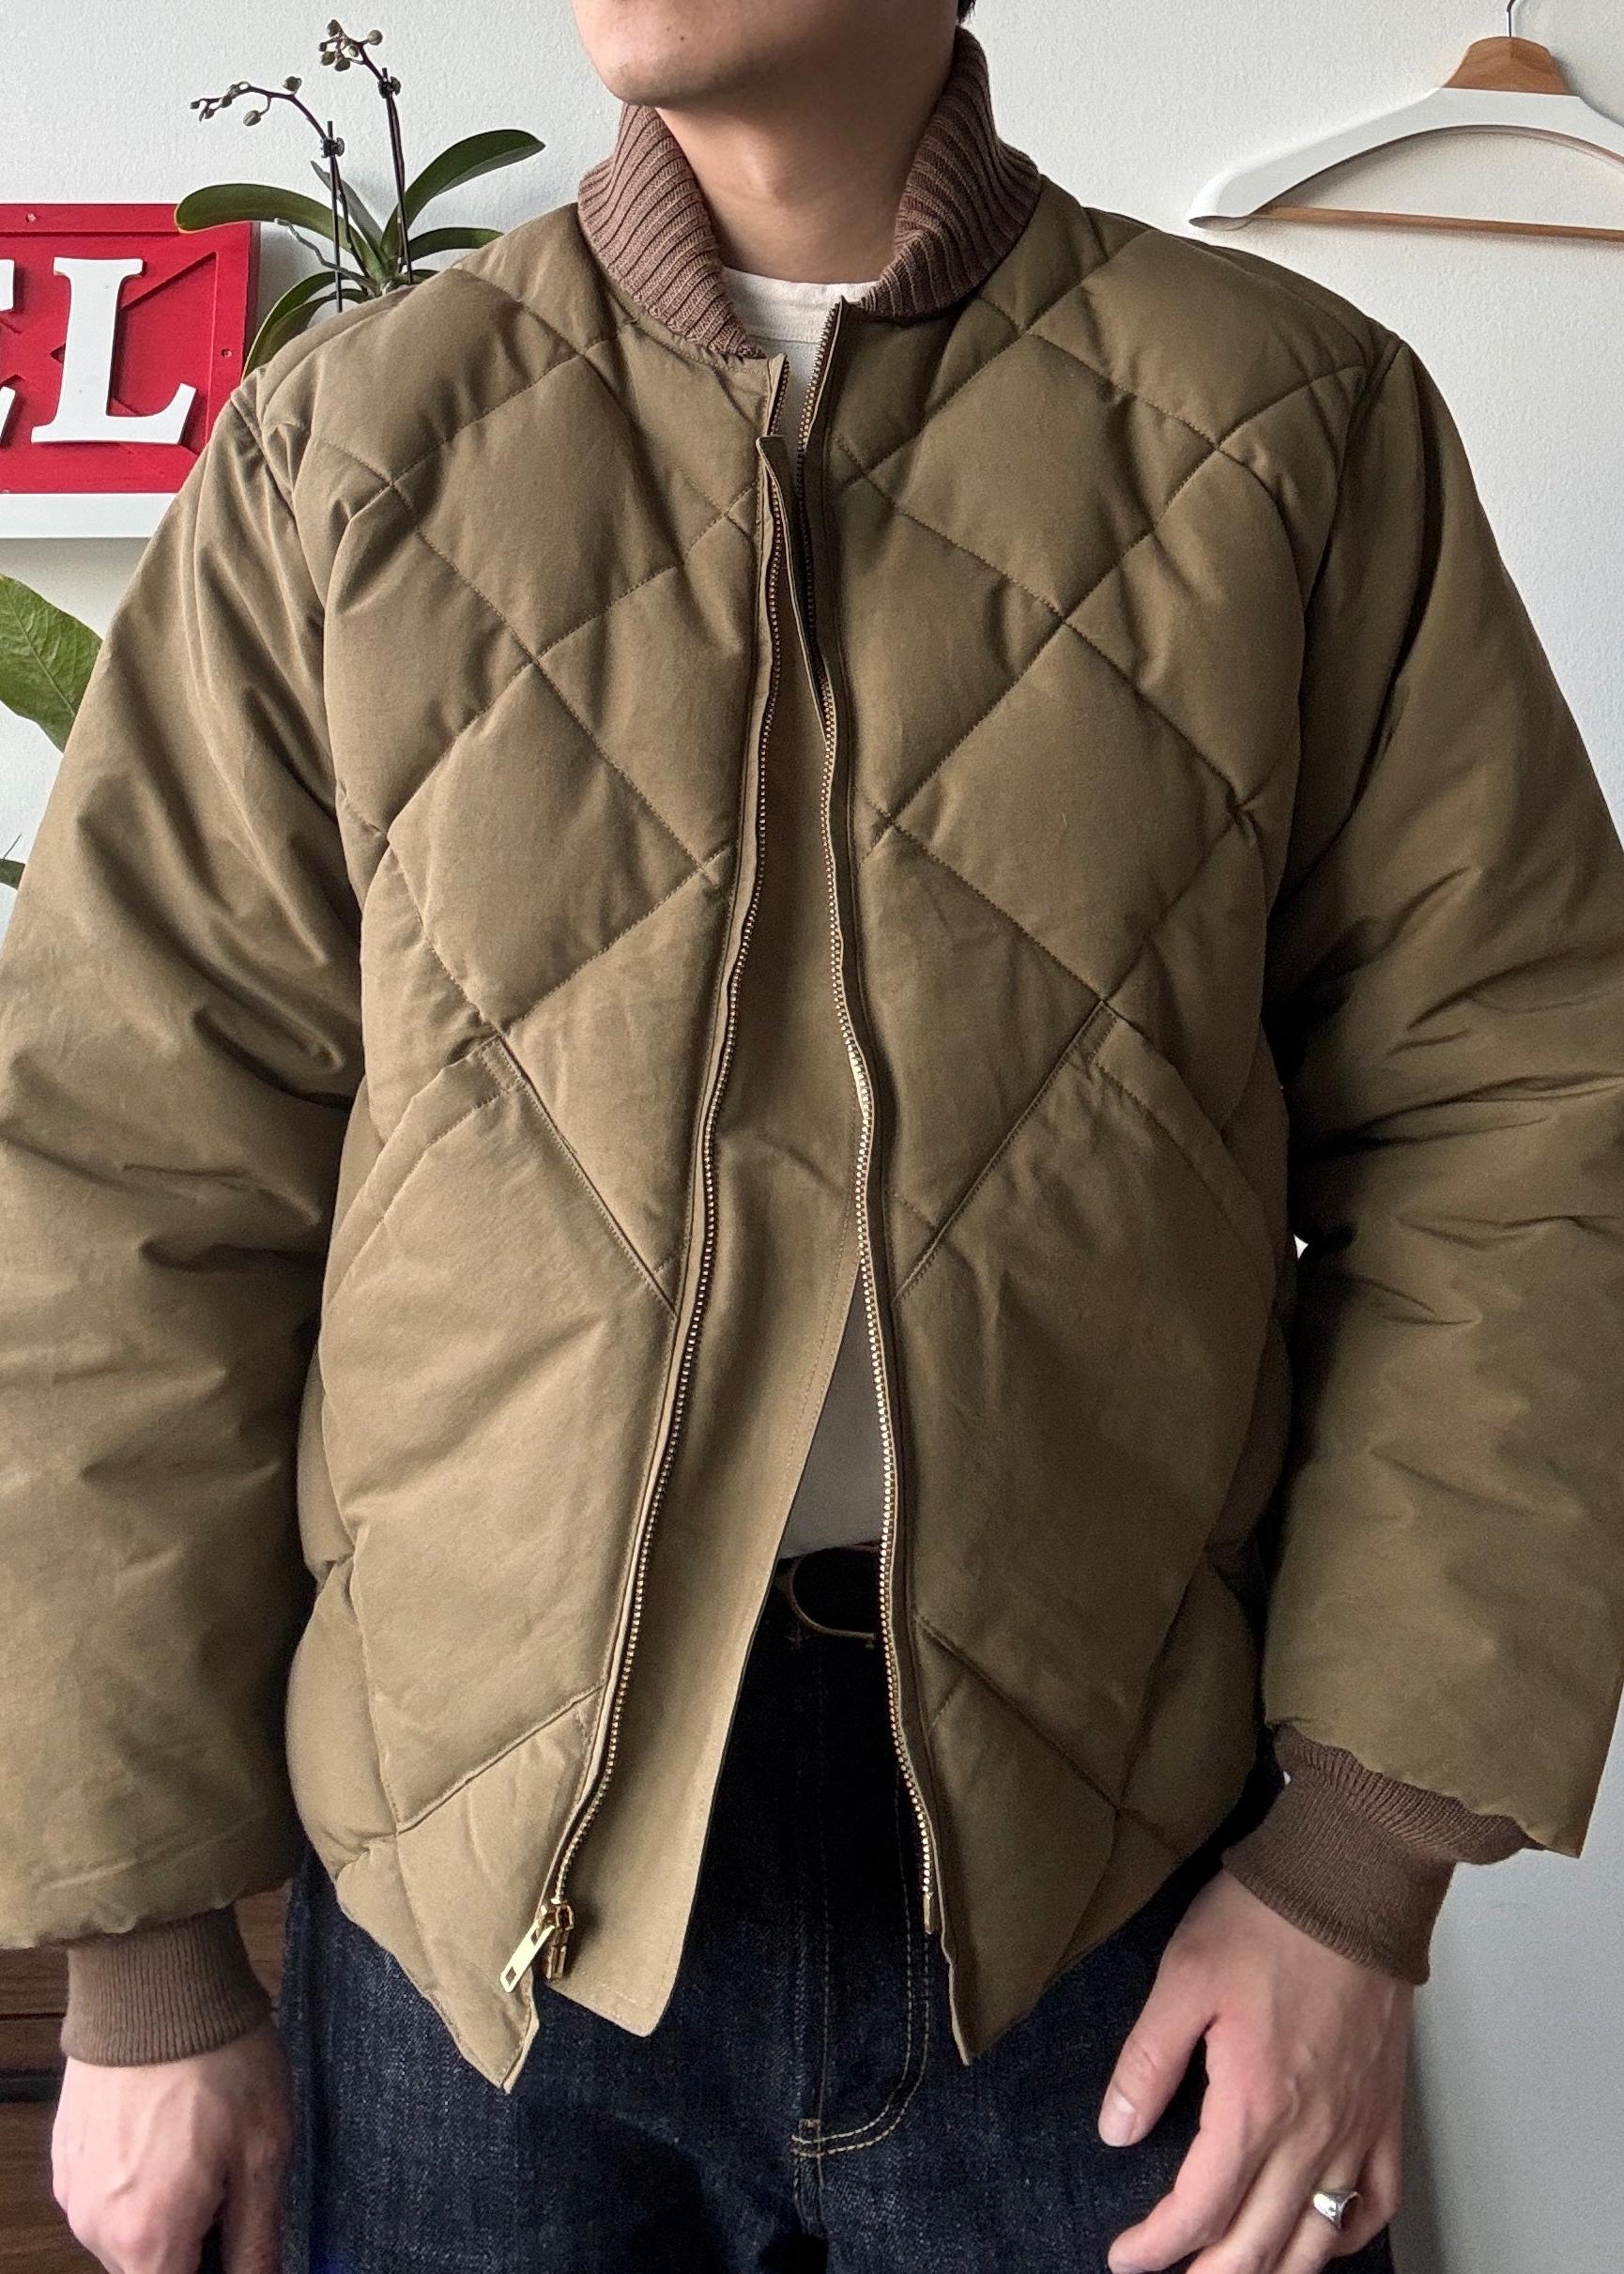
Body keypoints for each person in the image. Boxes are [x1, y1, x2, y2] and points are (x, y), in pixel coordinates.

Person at [5, 1, 1623, 2267]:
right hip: (476, 1929)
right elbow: (120, 1184)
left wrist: (1356, 1872)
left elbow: (1521, 1117)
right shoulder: (347, 449)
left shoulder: (1284, 423)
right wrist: (144, 1957)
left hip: (1114, 1886)